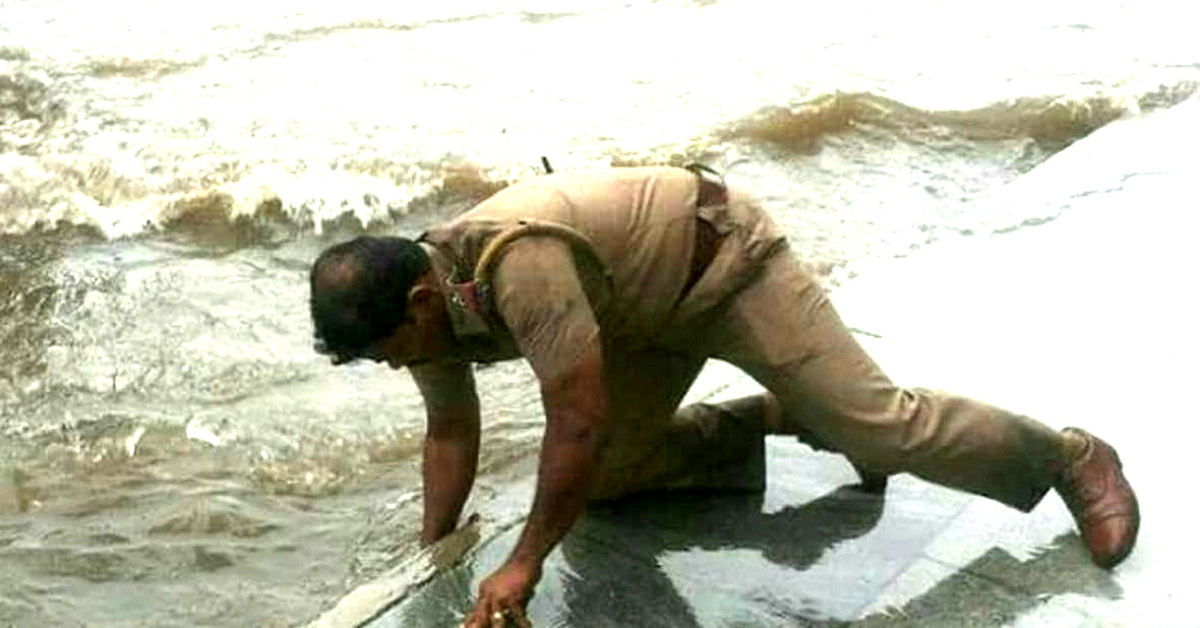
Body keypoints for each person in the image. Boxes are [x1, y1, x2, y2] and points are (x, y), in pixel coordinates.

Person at [308, 165, 1139, 628]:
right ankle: (777, 415)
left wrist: (524, 562)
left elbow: (577, 417)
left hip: (725, 266)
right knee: (609, 480)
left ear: (418, 305)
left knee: (884, 430)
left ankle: (1070, 458)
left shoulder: (514, 267)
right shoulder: (419, 310)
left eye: (385, 353)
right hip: (633, 316)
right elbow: (450, 431)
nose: (389, 367)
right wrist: (434, 558)